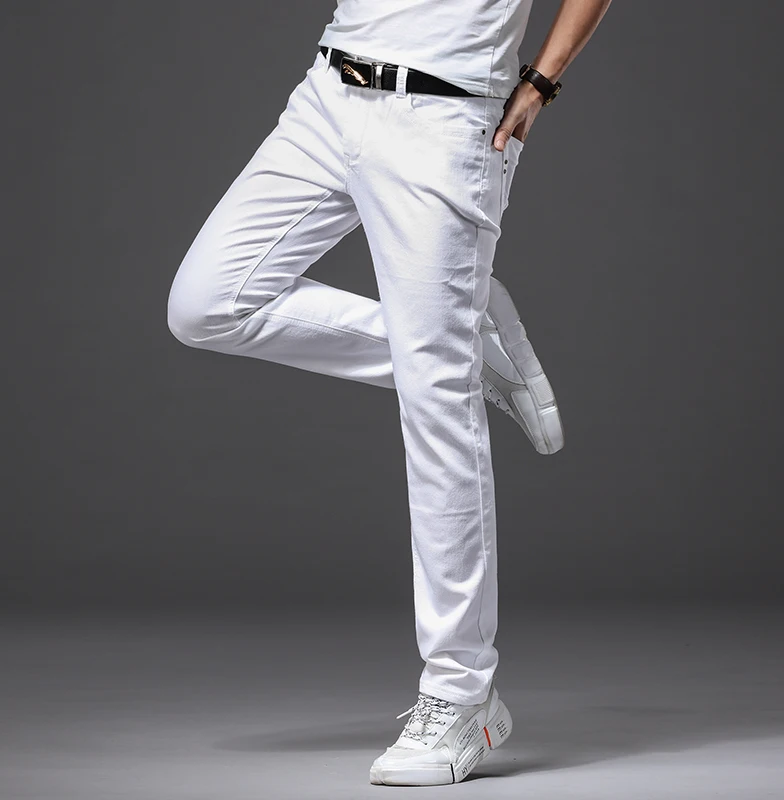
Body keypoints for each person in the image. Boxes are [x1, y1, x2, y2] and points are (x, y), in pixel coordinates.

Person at [166, 0, 612, 786]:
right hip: (331, 92)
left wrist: (541, 81)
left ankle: (463, 695)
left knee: (436, 408)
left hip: (446, 112)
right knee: (208, 304)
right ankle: (463, 342)